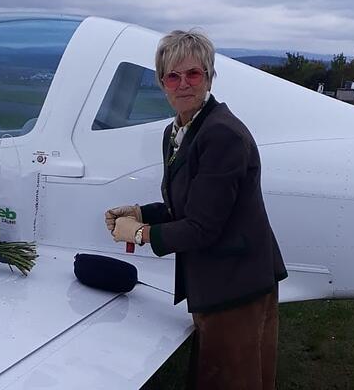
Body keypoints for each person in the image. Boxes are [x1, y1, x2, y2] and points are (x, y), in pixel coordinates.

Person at [104, 30, 287, 390]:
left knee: (229, 380)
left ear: (208, 76)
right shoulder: (182, 130)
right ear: (161, 82)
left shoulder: (221, 135)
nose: (183, 84)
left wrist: (140, 235)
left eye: (193, 74)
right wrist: (142, 213)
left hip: (236, 286)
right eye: (173, 76)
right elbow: (189, 204)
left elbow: (203, 227)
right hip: (219, 281)